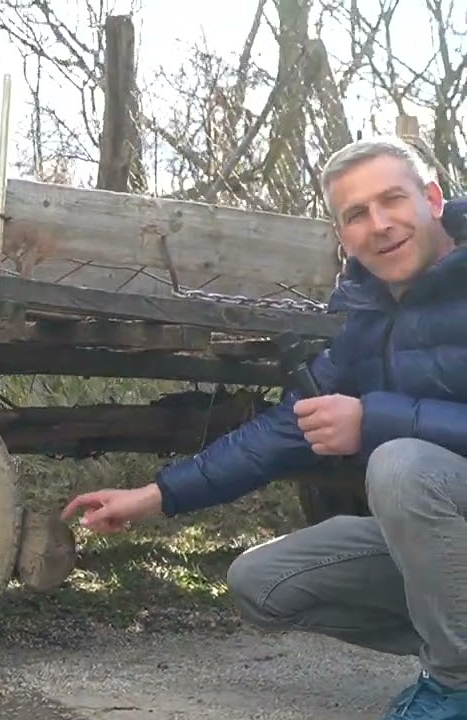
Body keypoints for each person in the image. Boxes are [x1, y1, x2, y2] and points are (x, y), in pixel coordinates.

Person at [62, 136, 467, 718]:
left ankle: (455, 684)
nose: (379, 224)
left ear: (431, 198)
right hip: (448, 536)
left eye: (392, 200)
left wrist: (373, 420)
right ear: (342, 235)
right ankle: (453, 644)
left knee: (400, 464)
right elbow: (285, 429)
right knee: (263, 580)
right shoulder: (365, 315)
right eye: (356, 214)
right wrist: (155, 495)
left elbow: (386, 439)